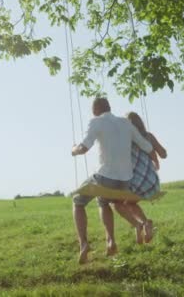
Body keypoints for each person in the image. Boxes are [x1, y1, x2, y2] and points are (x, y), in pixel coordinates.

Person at [71, 98, 153, 264]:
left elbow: (84, 147)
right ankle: (111, 241)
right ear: (109, 107)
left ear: (95, 110)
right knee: (104, 202)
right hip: (125, 181)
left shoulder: (96, 122)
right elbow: (147, 147)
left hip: (105, 177)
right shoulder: (125, 123)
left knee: (78, 201)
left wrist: (74, 150)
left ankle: (84, 244)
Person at [113, 112, 167, 244]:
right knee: (130, 203)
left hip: (137, 183)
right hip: (153, 183)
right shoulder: (149, 136)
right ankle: (142, 227)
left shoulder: (124, 140)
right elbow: (164, 154)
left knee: (117, 204)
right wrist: (155, 157)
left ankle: (141, 224)